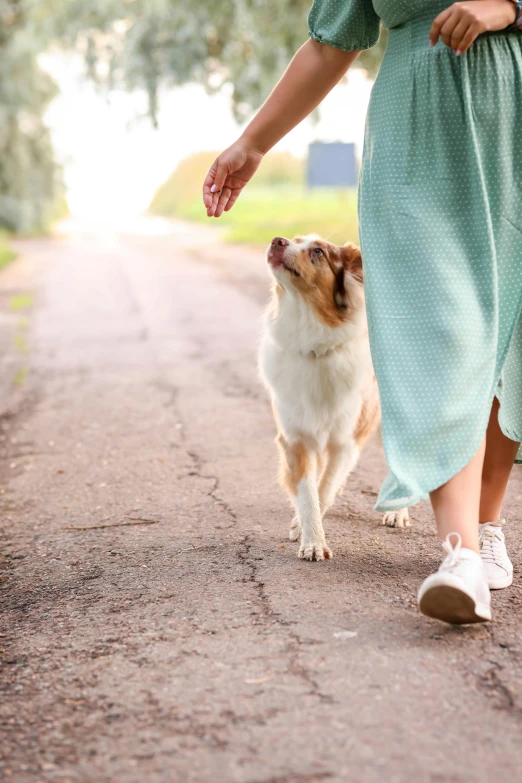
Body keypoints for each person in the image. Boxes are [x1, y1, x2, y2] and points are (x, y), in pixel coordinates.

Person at [202, 0, 522, 624]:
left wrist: (507, 7)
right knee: (444, 327)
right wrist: (252, 143)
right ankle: (458, 555)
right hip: (413, 136)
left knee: (507, 335)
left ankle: (487, 523)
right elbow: (330, 44)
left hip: (513, 118)